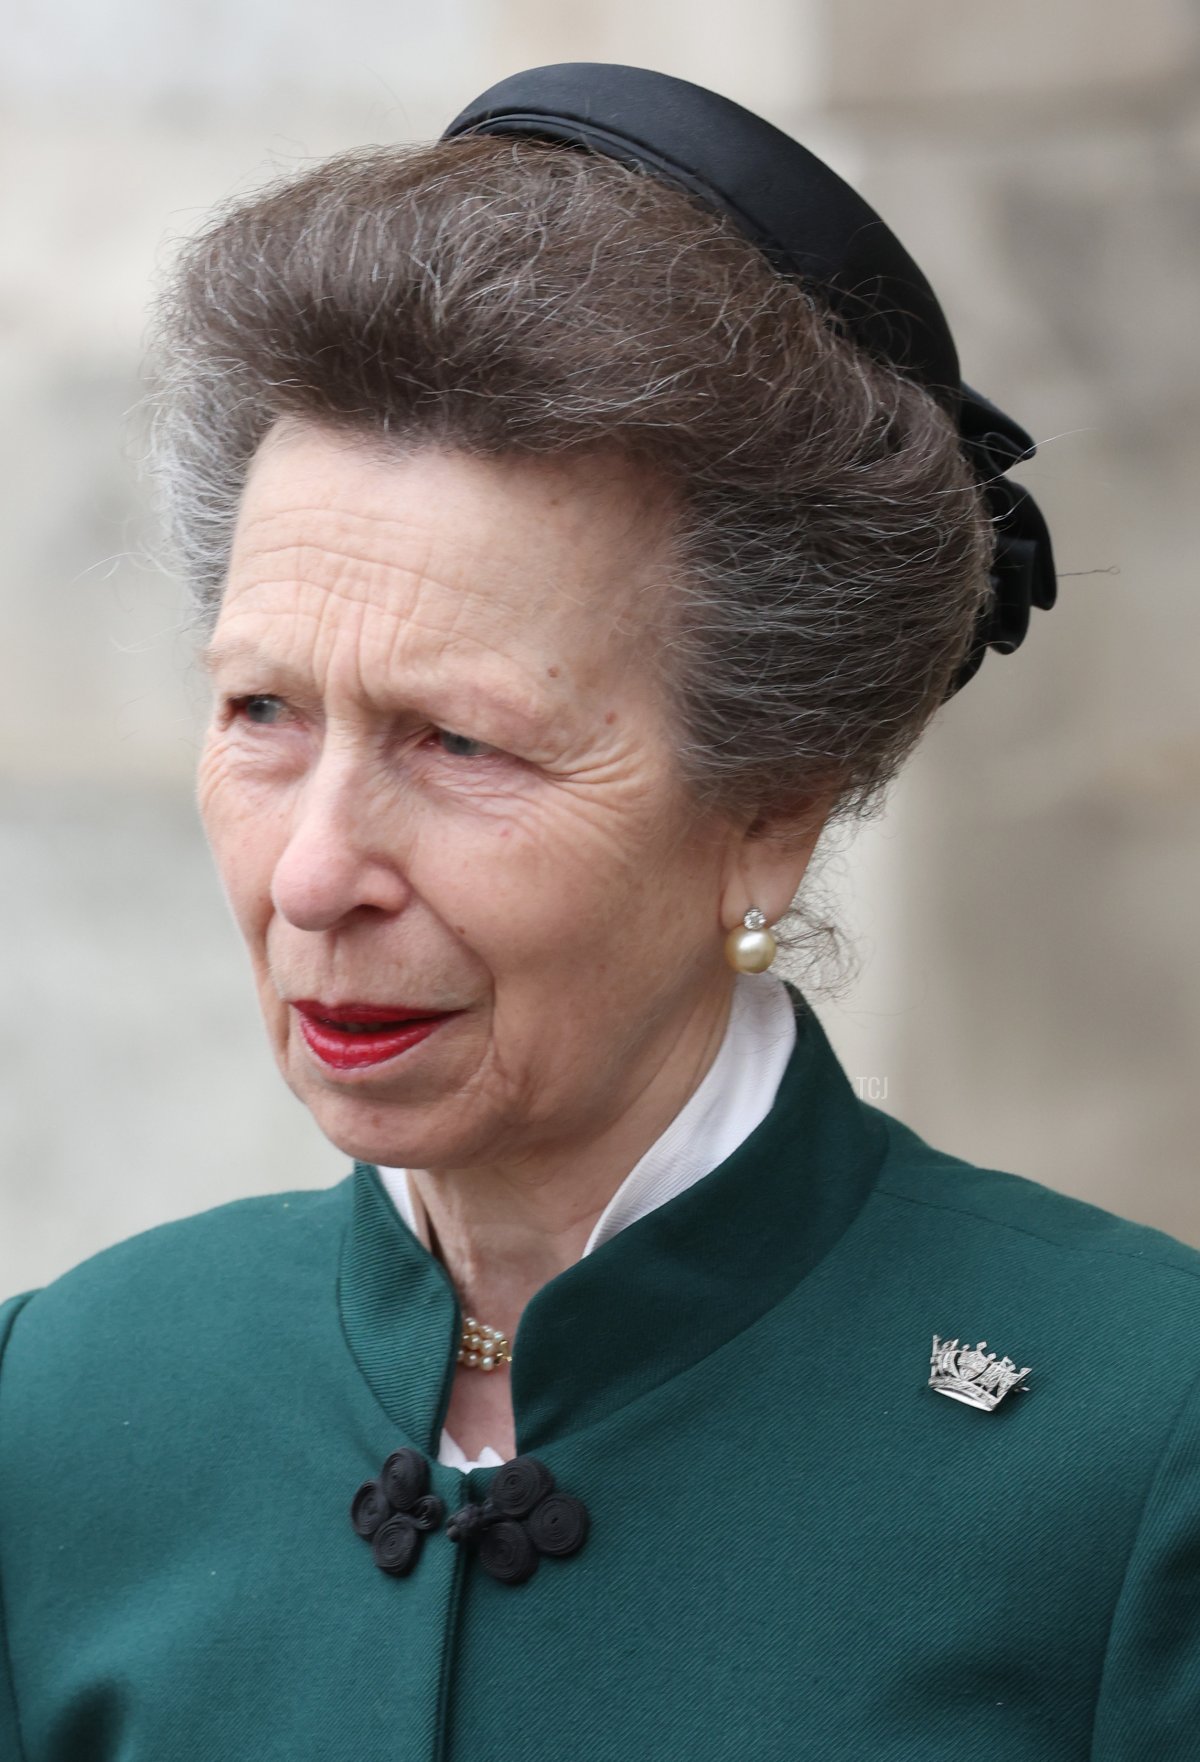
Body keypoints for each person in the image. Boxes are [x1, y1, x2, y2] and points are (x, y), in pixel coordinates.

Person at [0, 61, 1195, 1762]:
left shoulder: (1138, 1446)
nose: (316, 871)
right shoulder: (60, 1404)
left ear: (769, 811)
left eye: (459, 740)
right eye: (262, 712)